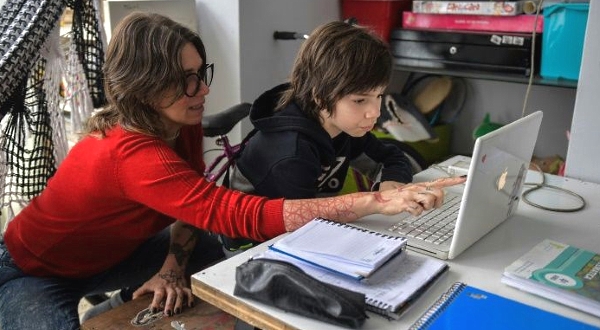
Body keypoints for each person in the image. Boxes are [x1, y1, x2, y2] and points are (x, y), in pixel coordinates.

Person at [0, 12, 464, 330]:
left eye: (202, 72)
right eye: (186, 79)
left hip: (118, 254)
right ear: (143, 85)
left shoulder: (178, 121)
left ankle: (122, 298)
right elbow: (232, 213)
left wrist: (172, 267)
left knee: (222, 264)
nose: (201, 89)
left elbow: (195, 203)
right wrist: (375, 201)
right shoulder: (130, 155)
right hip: (33, 272)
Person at [226, 21, 413, 251]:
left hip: (307, 230)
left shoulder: (346, 126)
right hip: (249, 250)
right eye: (359, 100)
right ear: (321, 97)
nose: (375, 111)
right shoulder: (290, 152)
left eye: (379, 95)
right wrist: (376, 204)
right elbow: (303, 231)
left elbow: (393, 157)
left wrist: (391, 183)